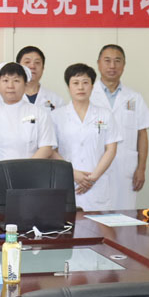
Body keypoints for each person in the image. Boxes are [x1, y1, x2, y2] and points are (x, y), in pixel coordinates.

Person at [90, 44, 149, 210]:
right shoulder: (87, 95)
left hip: (125, 170)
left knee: (125, 219)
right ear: (98, 63)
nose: (112, 66)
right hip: (94, 168)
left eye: (117, 61)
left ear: (124, 65)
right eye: (107, 60)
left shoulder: (134, 97)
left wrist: (141, 168)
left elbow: (142, 134)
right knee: (93, 219)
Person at [53, 64, 121, 211]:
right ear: (68, 87)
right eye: (75, 83)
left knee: (98, 224)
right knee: (67, 222)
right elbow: (52, 150)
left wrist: (93, 178)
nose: (81, 87)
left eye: (85, 82)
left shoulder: (105, 114)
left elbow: (111, 149)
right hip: (67, 181)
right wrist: (72, 173)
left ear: (92, 86)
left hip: (97, 183)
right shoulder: (56, 116)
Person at [0, 62, 56, 161]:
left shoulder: (39, 113)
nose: (10, 86)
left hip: (31, 168)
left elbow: (46, 147)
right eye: (5, 80)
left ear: (25, 85)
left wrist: (25, 168)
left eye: (16, 81)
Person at [0, 46, 66, 110]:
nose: (32, 66)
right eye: (27, 62)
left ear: (43, 68)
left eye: (37, 63)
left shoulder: (56, 100)